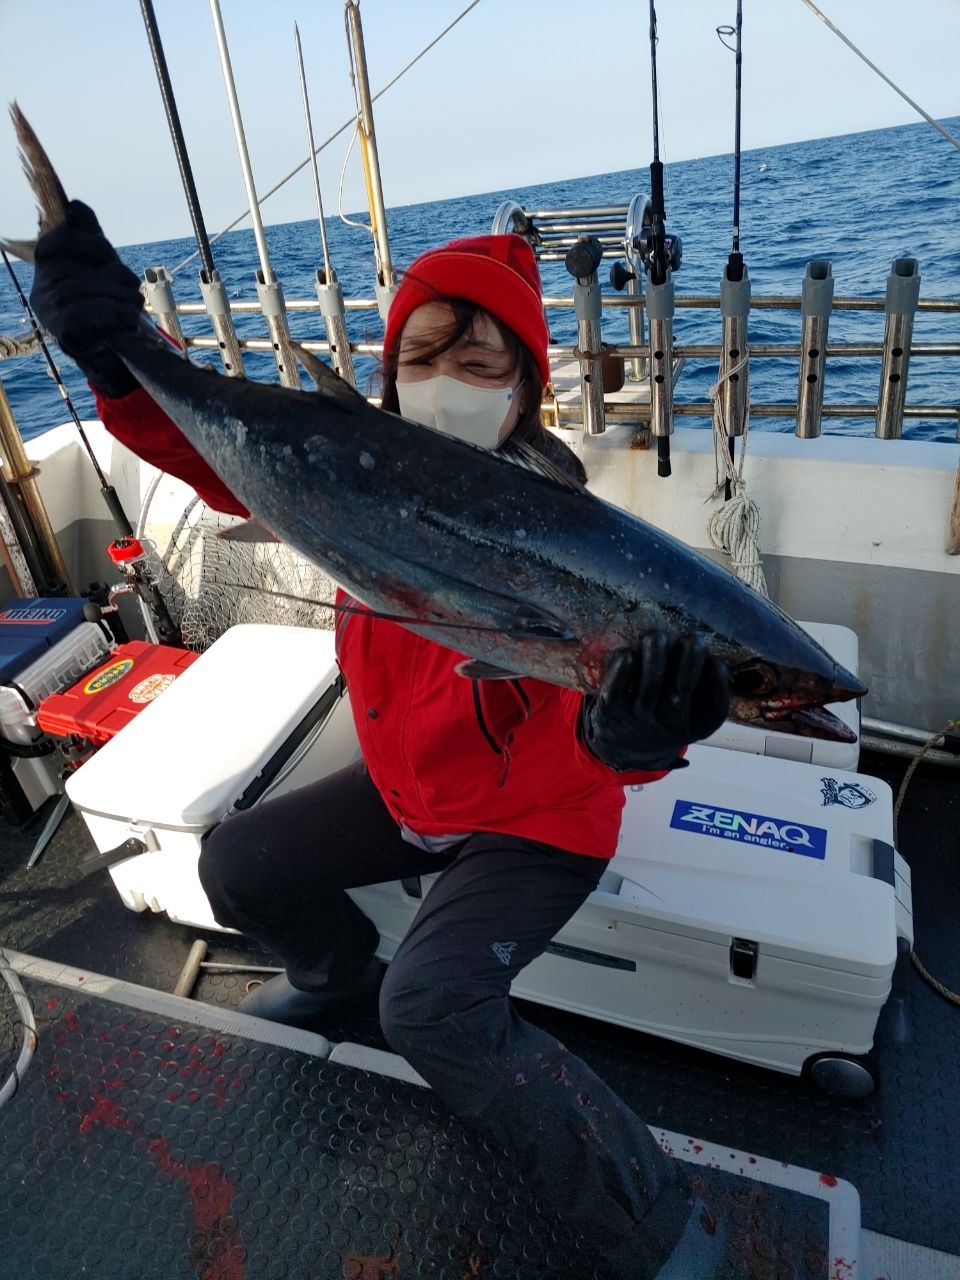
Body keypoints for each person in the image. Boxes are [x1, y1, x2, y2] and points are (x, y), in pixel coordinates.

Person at [31, 206, 733, 1279]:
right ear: (387, 371)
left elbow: (597, 742)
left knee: (435, 1008)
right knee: (233, 862)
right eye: (419, 353)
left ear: (523, 388)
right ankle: (329, 969)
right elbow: (211, 444)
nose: (444, 373)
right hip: (410, 792)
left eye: (478, 356)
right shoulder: (347, 473)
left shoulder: (568, 539)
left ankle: (654, 1223)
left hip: (536, 818)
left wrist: (631, 734)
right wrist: (116, 350)